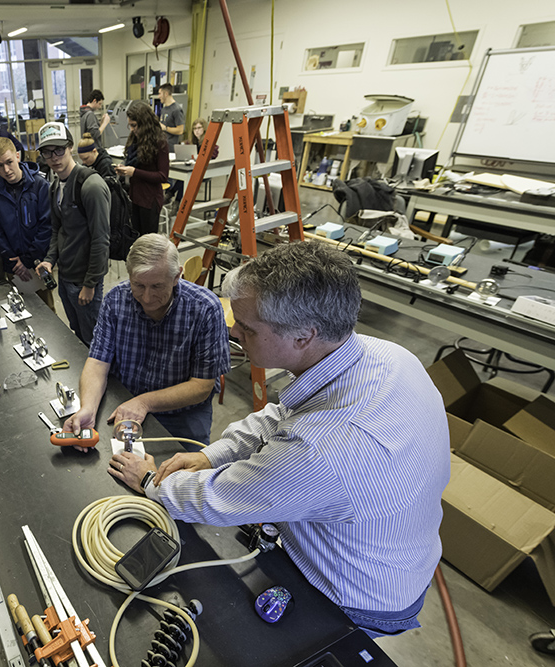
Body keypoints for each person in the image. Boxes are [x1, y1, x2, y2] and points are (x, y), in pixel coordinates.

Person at [109, 241, 450, 638]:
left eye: (248, 328)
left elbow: (219, 500)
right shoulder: (383, 355)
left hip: (352, 598)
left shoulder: (323, 448)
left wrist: (152, 481)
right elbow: (283, 414)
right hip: (402, 553)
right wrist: (212, 456)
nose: (233, 331)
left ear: (304, 335)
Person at [66, 234, 228, 448]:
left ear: (177, 276)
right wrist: (87, 408)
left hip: (182, 413)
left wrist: (144, 402)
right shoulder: (115, 300)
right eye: (139, 285)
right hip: (124, 400)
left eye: (157, 287)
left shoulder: (205, 309)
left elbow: (201, 387)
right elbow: (97, 362)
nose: (147, 298)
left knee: (182, 474)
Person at [34, 122, 110, 346]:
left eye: (59, 150)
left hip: (85, 282)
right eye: (47, 152)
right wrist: (49, 261)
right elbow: (58, 229)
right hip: (65, 278)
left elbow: (101, 240)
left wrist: (90, 284)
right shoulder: (54, 186)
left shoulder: (91, 185)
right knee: (77, 333)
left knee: (94, 340)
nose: (54, 157)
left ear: (70, 148)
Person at [0, 137, 54, 309]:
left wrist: (28, 260)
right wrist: (15, 262)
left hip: (38, 264)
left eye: (9, 162)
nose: (6, 170)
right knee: (19, 311)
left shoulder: (40, 186)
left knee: (47, 311)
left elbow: (46, 226)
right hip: (13, 267)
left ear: (17, 156)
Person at [114, 102, 169, 236]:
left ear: (144, 124)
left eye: (134, 125)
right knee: (136, 240)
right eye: (130, 125)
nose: (132, 129)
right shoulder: (135, 139)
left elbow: (162, 176)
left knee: (148, 244)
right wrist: (125, 168)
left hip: (150, 200)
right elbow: (133, 164)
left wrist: (134, 172)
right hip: (135, 198)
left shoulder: (159, 142)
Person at [158, 83, 185, 206]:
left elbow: (180, 130)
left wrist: (165, 128)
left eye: (160, 93)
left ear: (166, 93)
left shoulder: (176, 109)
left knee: (169, 176)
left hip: (171, 148)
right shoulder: (164, 109)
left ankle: (170, 196)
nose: (159, 97)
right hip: (162, 146)